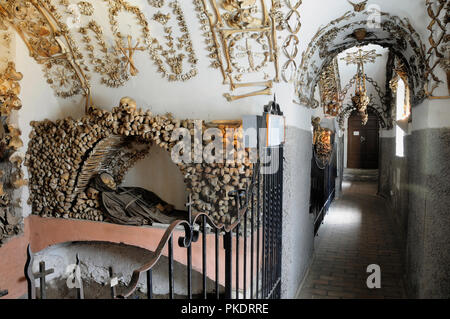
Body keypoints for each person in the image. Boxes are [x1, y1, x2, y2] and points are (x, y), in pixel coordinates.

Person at [91, 172, 187, 226]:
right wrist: (140, 221)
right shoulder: (106, 196)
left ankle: (197, 219)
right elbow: (118, 216)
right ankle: (195, 223)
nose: (113, 184)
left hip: (149, 205)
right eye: (108, 183)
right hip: (142, 212)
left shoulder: (119, 189)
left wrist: (161, 203)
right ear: (101, 185)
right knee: (172, 221)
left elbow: (141, 192)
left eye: (112, 181)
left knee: (177, 214)